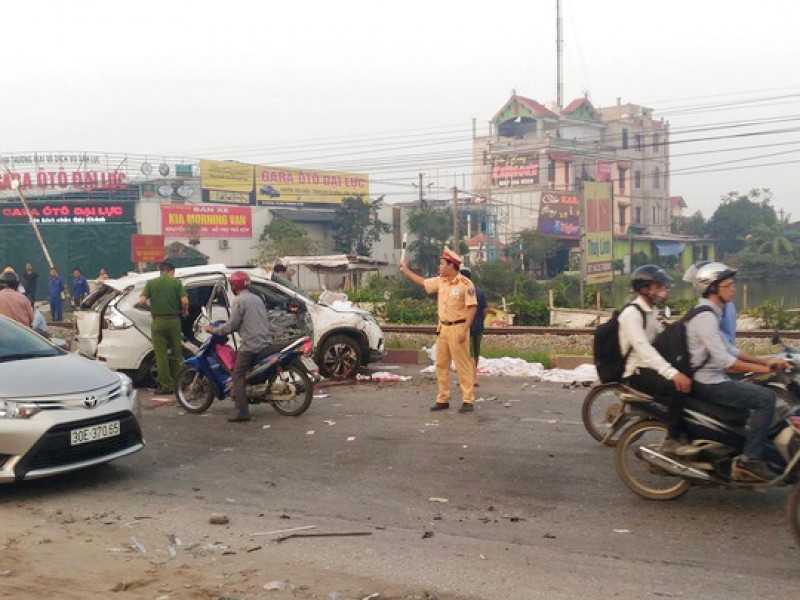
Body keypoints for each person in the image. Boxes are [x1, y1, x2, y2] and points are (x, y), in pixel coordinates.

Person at [684, 262, 789, 481]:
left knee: (759, 390)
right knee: (766, 399)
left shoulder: (712, 313)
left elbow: (731, 349)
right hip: (709, 383)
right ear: (713, 288)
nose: (733, 290)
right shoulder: (704, 317)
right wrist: (762, 368)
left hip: (715, 378)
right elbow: (728, 362)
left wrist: (767, 362)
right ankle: (749, 461)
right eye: (728, 286)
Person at [618, 265, 692, 453]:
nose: (663, 291)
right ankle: (673, 438)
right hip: (637, 372)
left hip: (648, 367)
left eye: (662, 287)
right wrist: (672, 373)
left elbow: (661, 337)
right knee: (678, 387)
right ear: (644, 289)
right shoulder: (631, 314)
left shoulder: (651, 311)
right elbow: (643, 348)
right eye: (657, 287)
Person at [399, 247, 477, 413]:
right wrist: (406, 271)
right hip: (443, 328)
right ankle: (443, 399)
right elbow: (423, 282)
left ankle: (467, 400)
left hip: (458, 328)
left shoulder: (465, 284)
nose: (439, 267)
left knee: (462, 365)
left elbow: (472, 308)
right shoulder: (441, 281)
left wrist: (464, 330)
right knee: (441, 365)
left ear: (451, 265)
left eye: (442, 264)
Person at [205, 271, 279, 422]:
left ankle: (242, 411)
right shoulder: (257, 298)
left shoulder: (239, 301)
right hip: (266, 341)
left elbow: (232, 325)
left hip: (251, 344)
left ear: (234, 285)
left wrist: (214, 330)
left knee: (237, 374)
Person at [138, 261, 189, 395]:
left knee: (161, 355)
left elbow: (142, 301)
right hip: (173, 321)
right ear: (171, 271)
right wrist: (185, 311)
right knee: (176, 353)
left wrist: (151, 309)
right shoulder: (176, 283)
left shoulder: (151, 283)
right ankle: (177, 383)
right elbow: (184, 301)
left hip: (158, 321)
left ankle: (166, 386)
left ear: (161, 271)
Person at [460, 267, 488, 387]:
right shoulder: (479, 291)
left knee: (468, 353)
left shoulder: (462, 292)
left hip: (466, 327)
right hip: (479, 326)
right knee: (476, 352)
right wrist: (481, 320)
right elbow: (485, 310)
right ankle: (471, 375)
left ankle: (473, 378)